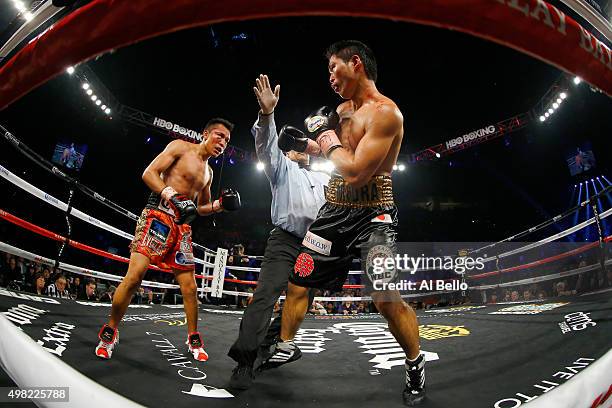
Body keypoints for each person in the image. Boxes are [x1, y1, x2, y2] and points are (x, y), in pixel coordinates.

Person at [259, 41, 425, 405]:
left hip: (374, 214)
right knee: (300, 278)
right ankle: (285, 345)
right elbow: (336, 151)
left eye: (335, 68)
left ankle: (415, 363)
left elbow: (354, 171)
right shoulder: (341, 109)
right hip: (334, 211)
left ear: (356, 63)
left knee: (384, 296)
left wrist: (325, 136)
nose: (330, 78)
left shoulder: (386, 114)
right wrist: (309, 146)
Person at [95, 118, 242, 361]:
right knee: (135, 276)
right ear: (205, 133)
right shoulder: (180, 147)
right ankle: (109, 331)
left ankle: (193, 337)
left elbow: (201, 206)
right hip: (158, 216)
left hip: (182, 227)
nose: (222, 142)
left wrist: (220, 206)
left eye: (226, 140)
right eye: (219, 135)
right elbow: (149, 173)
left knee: (190, 287)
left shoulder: (209, 171)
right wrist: (173, 196)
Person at [227, 74, 329, 389]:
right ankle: (244, 361)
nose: (300, 147)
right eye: (294, 144)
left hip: (314, 245)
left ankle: (269, 347)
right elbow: (266, 145)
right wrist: (267, 114)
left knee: (299, 302)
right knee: (266, 295)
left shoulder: (324, 179)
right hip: (285, 241)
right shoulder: (281, 167)